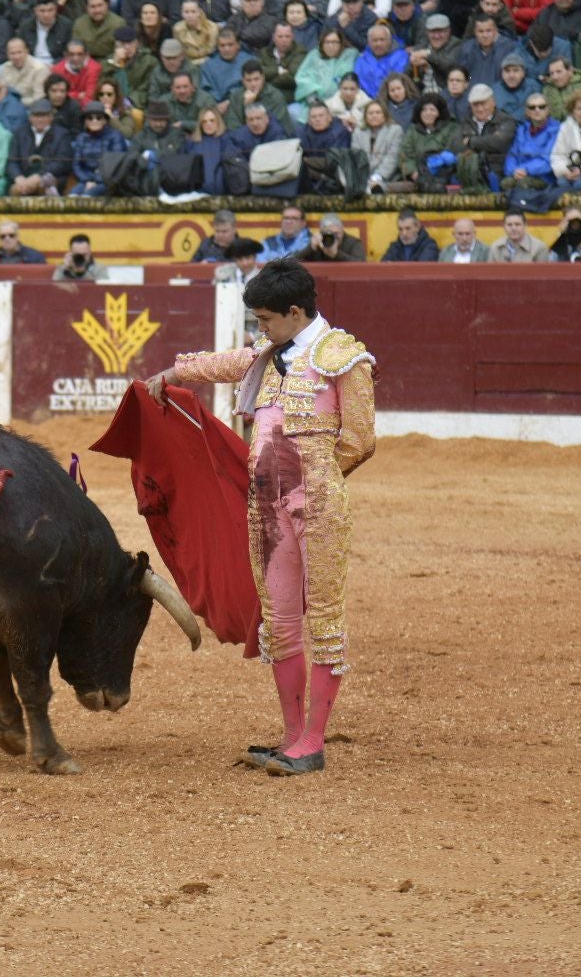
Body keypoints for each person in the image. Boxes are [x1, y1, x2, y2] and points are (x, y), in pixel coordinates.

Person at [143, 259, 375, 776]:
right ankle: (292, 737)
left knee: (324, 621)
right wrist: (175, 372)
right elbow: (230, 362)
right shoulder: (271, 357)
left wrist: (312, 482)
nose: (260, 330)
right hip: (267, 511)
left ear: (295, 312)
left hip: (315, 510)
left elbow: (359, 441)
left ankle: (312, 742)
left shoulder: (344, 358)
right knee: (282, 621)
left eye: (266, 319)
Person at [292, 213, 366, 262]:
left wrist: (336, 254)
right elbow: (292, 262)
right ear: (321, 232)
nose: (334, 237)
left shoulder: (353, 242)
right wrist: (311, 248)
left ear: (342, 230)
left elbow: (362, 264)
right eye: (329, 233)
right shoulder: (317, 242)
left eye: (336, 233)